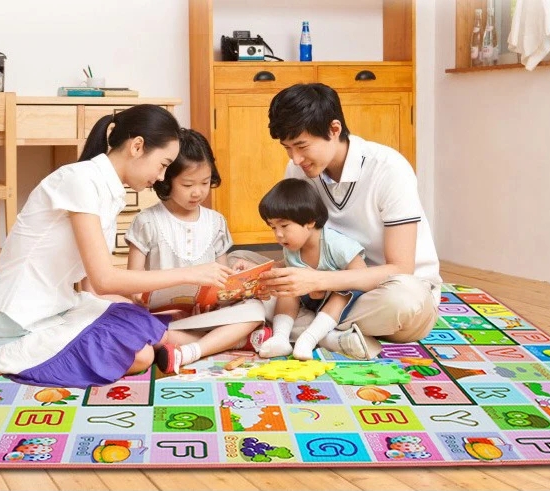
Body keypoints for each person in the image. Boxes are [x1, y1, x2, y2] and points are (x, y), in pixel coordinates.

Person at [0, 105, 234, 388]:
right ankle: (229, 338)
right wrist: (191, 274)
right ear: (137, 147)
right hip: (16, 328)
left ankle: (228, 338)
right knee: (142, 353)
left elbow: (91, 287)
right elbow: (104, 280)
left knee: (140, 320)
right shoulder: (79, 180)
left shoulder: (106, 190)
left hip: (59, 309)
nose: (162, 177)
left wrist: (141, 306)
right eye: (162, 164)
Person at [232, 83, 442, 359]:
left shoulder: (389, 169)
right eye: (287, 148)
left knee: (404, 302)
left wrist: (317, 281)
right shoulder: (298, 169)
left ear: (334, 129)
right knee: (236, 264)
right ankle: (331, 337)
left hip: (384, 289)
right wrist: (269, 273)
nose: (296, 158)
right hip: (322, 285)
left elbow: (400, 269)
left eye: (302, 146)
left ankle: (296, 327)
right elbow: (299, 248)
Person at [125, 128, 270, 374]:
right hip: (164, 319)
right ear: (166, 179)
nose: (198, 192)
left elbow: (223, 281)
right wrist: (154, 303)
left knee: (256, 310)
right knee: (143, 333)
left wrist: (236, 286)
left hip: (207, 316)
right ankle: (232, 341)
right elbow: (131, 285)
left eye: (205, 183)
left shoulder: (216, 222)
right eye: (187, 184)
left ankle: (193, 349)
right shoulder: (147, 221)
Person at [257, 178, 369, 360]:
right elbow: (285, 266)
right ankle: (280, 337)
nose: (278, 234)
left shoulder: (336, 244)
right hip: (310, 301)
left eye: (284, 225)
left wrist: (325, 284)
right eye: (273, 227)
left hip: (339, 303)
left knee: (342, 293)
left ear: (309, 221)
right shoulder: (291, 247)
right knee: (287, 285)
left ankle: (309, 338)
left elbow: (361, 276)